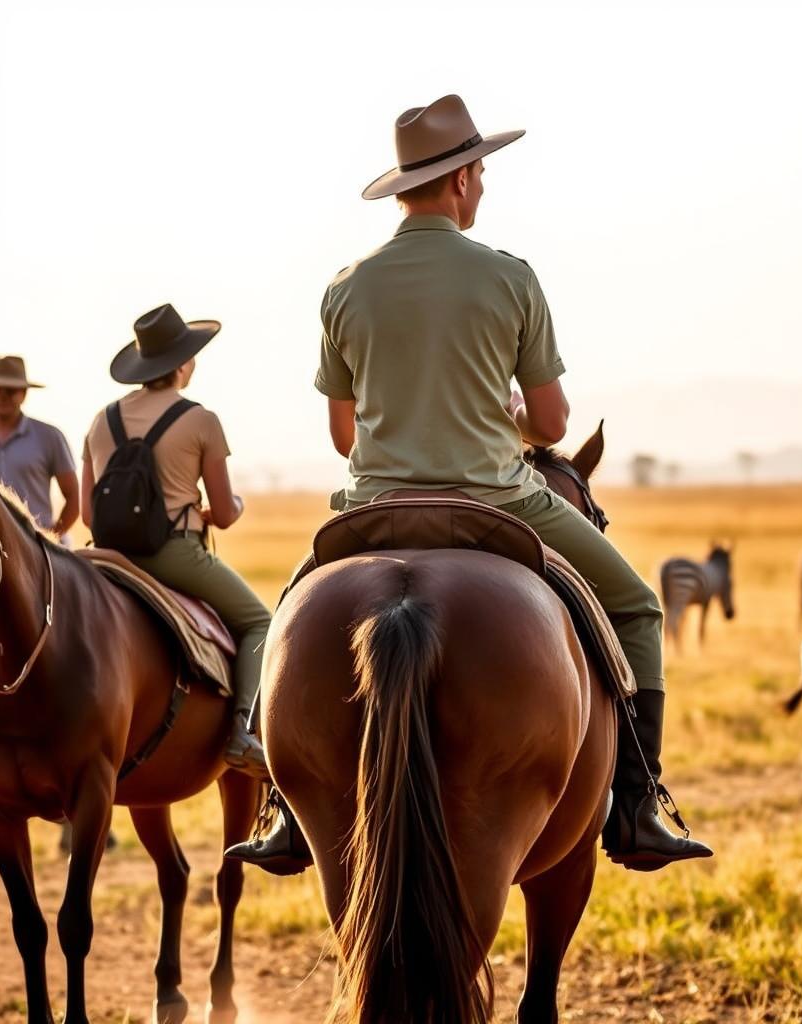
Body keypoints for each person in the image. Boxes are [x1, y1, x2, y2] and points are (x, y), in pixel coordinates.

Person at [228, 95, 711, 873]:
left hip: (373, 507)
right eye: (480, 171)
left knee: (288, 615)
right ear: (457, 181)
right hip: (497, 500)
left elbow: (344, 436)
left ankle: (284, 810)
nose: (482, 184)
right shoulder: (509, 277)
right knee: (638, 608)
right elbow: (552, 428)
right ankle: (636, 806)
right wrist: (510, 417)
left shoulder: (346, 287)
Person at [80, 304, 270, 779]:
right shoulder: (200, 419)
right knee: (259, 623)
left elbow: (87, 513)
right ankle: (243, 734)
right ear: (182, 364)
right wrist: (230, 508)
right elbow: (224, 515)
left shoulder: (100, 422)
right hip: (171, 555)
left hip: (104, 557)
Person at [0, 356, 79, 540]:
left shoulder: (49, 437)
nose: (2, 396)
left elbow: (73, 497)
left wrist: (50, 541)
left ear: (23, 394)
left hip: (37, 546)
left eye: (10, 390)